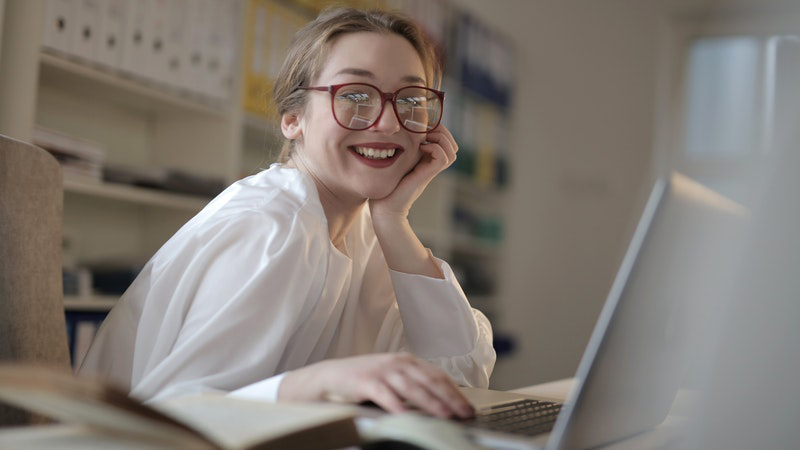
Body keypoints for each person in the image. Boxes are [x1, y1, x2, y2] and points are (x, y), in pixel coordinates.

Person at [79, 7, 495, 419]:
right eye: (354, 95)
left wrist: (393, 219)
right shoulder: (273, 226)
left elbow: (460, 376)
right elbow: (171, 418)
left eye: (411, 100)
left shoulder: (367, 230)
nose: (388, 123)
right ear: (293, 118)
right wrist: (320, 383)